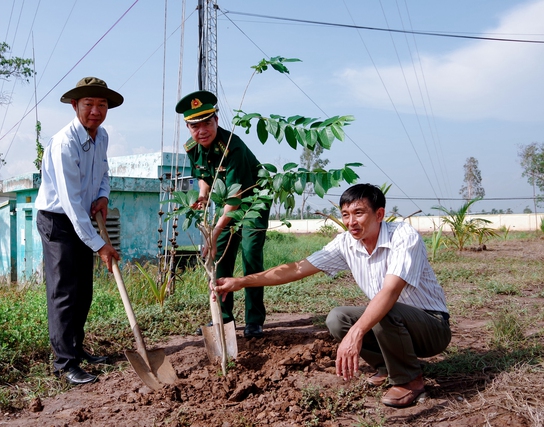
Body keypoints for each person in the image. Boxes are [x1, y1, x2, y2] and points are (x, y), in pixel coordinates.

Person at [214, 183, 451, 408]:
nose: (351, 221)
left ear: (379, 215)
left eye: (359, 213)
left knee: (381, 311)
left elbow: (390, 292)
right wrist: (241, 282)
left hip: (431, 326)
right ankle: (388, 366)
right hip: (393, 319)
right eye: (346, 214)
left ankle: (410, 380)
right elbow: (298, 268)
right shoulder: (346, 243)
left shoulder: (403, 236)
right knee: (338, 319)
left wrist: (356, 333)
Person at [35, 77, 122, 385]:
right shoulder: (63, 144)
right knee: (64, 293)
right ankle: (65, 363)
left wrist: (103, 196)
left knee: (83, 290)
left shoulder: (102, 137)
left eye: (101, 105)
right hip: (58, 221)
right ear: (75, 106)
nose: (95, 111)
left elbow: (104, 172)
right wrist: (100, 246)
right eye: (88, 104)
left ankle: (77, 349)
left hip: (83, 219)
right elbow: (71, 203)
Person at [176, 90, 269, 339]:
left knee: (250, 255)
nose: (201, 130)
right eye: (194, 125)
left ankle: (255, 319)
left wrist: (214, 232)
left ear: (216, 120)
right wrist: (202, 196)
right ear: (188, 127)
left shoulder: (232, 148)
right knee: (220, 255)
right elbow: (205, 178)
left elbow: (235, 200)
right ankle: (225, 318)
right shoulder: (192, 148)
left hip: (253, 202)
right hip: (229, 203)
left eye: (207, 123)